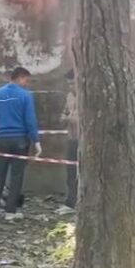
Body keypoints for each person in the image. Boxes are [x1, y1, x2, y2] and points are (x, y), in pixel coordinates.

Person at [0, 66, 41, 221]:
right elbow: (30, 120)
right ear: (20, 77)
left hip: (1, 139)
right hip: (20, 140)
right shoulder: (26, 95)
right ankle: (10, 211)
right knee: (17, 176)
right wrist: (36, 141)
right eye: (26, 80)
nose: (27, 84)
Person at [60, 69, 79, 211]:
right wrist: (63, 117)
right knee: (70, 171)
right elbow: (65, 111)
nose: (71, 87)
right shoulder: (69, 96)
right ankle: (70, 202)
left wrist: (70, 119)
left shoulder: (88, 97)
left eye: (73, 83)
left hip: (83, 139)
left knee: (82, 172)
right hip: (71, 138)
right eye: (69, 84)